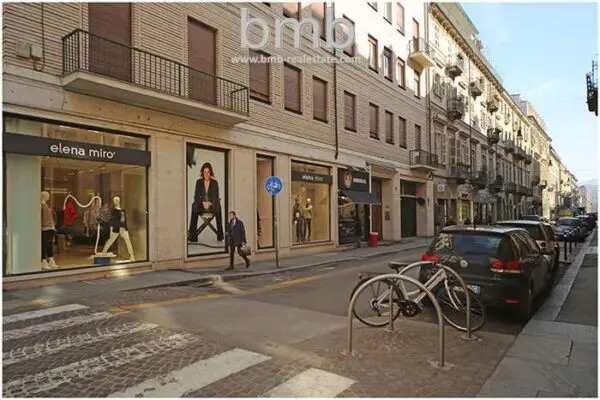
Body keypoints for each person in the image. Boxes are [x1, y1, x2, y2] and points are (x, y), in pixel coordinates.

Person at [188, 162, 224, 242]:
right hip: (201, 206)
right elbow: (196, 196)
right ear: (202, 173)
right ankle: (192, 235)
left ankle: (220, 235)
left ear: (210, 173)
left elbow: (216, 196)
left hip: (212, 207)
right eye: (205, 172)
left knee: (218, 206)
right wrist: (203, 203)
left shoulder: (214, 183)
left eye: (208, 172)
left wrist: (210, 203)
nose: (206, 174)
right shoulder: (199, 182)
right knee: (194, 205)